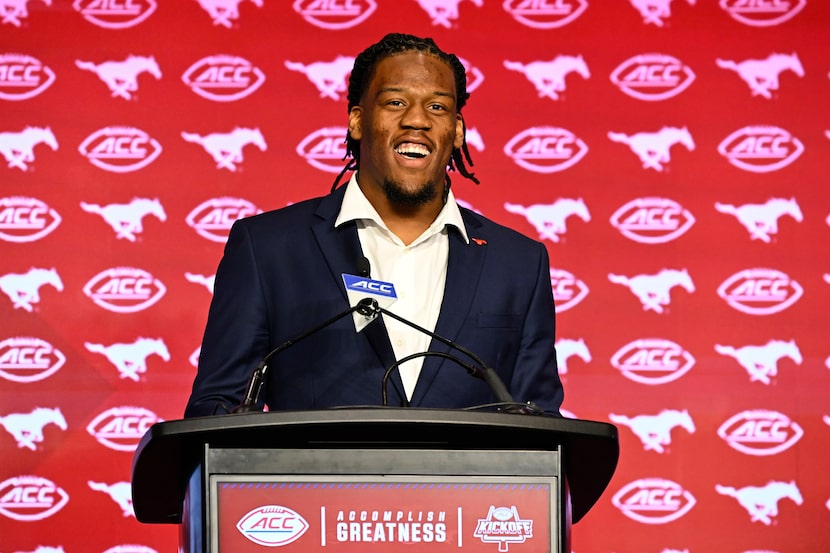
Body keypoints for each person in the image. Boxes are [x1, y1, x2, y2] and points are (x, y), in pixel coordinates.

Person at [184, 33, 563, 418]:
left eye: (437, 106)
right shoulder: (268, 249)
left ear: (457, 129)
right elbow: (217, 406)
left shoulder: (518, 264)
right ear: (357, 121)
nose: (417, 120)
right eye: (395, 102)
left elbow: (540, 419)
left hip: (468, 481)